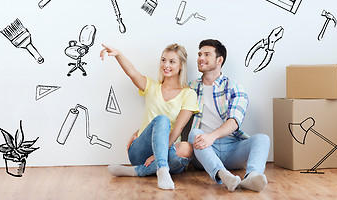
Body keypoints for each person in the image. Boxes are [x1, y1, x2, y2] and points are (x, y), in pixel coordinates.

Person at [100, 43, 198, 190]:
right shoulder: (152, 87)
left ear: (181, 66)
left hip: (169, 149)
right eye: (163, 60)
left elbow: (179, 129)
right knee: (162, 119)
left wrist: (161, 154)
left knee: (187, 148)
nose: (166, 65)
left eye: (172, 61)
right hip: (141, 150)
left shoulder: (188, 94)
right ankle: (162, 168)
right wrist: (119, 55)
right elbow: (132, 72)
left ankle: (136, 171)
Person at [187, 39, 270, 192]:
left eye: (206, 54)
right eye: (199, 54)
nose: (200, 58)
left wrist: (211, 136)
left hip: (232, 147)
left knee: (262, 139)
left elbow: (234, 121)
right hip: (204, 150)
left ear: (219, 60)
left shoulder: (234, 87)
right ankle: (223, 175)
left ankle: (252, 177)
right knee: (195, 133)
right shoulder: (191, 87)